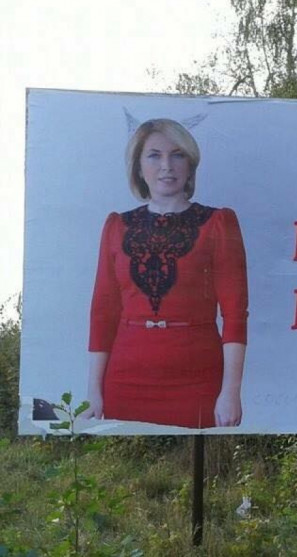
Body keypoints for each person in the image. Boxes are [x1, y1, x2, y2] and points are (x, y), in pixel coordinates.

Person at [84, 118, 248, 428]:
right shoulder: (117, 226)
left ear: (190, 164)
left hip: (198, 378)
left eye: (177, 155)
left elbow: (235, 314)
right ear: (138, 167)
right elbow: (102, 313)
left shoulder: (218, 223)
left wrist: (231, 391)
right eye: (154, 155)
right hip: (125, 379)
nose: (166, 166)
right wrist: (93, 392)